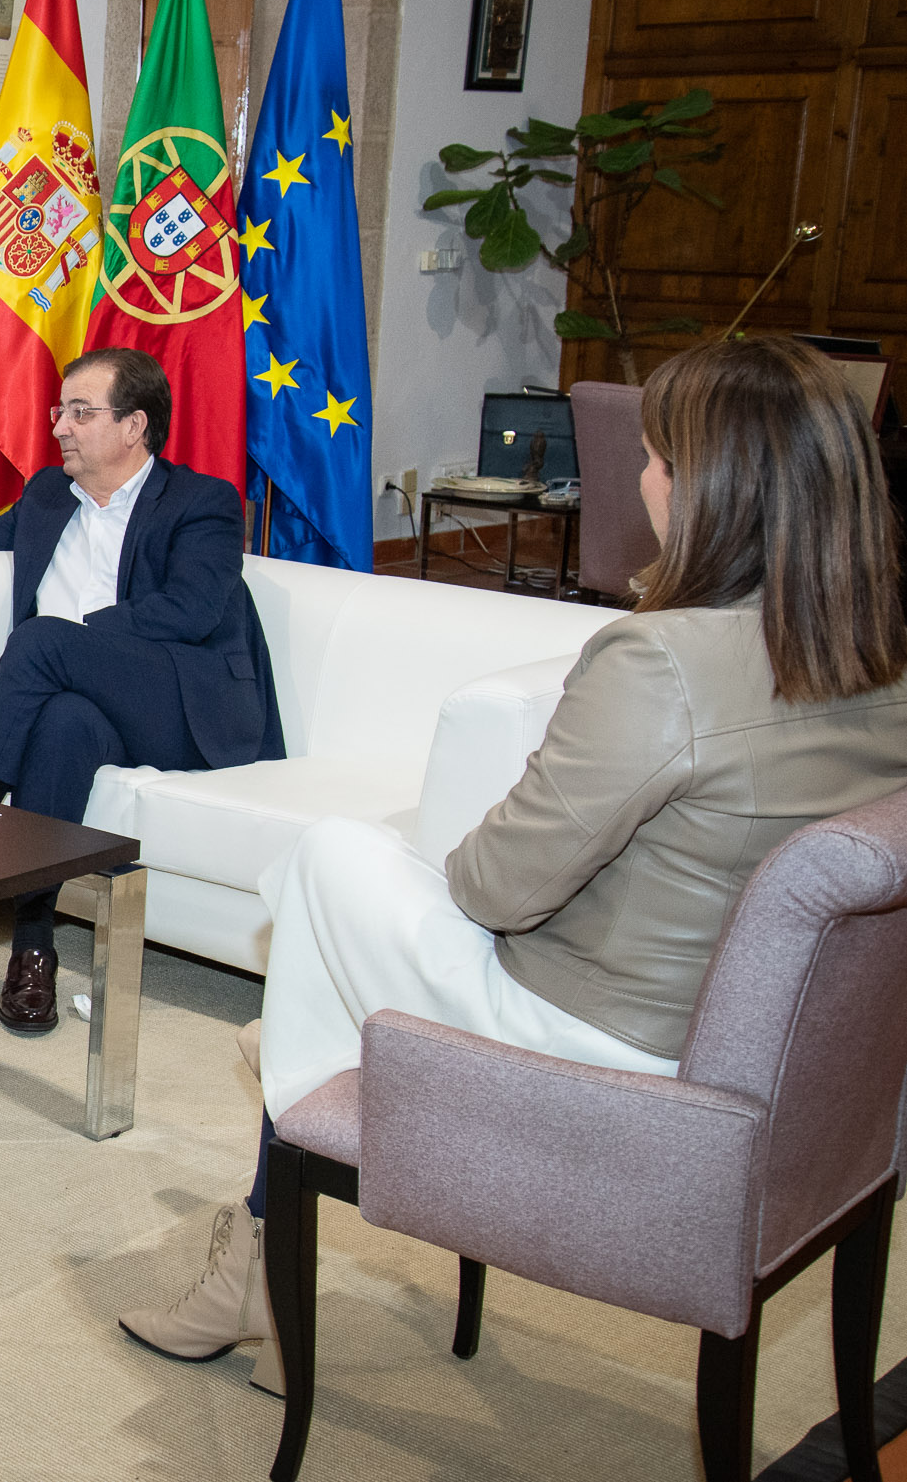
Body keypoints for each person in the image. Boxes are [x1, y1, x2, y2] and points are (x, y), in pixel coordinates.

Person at [116, 336, 907, 1395]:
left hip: (605, 1041)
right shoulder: (875, 651)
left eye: (658, 456)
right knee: (343, 909)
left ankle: (283, 1173)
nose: (643, 478)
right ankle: (311, 1076)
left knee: (329, 860)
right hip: (773, 1054)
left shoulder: (660, 661)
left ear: (713, 488)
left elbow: (494, 887)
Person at [0, 347, 282, 1032]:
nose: (60, 427)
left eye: (80, 412)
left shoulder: (203, 501)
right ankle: (31, 947)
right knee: (64, 724)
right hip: (83, 705)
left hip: (183, 706)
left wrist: (77, 642)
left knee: (44, 639)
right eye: (59, 411)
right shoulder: (47, 495)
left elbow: (189, 611)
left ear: (133, 426)